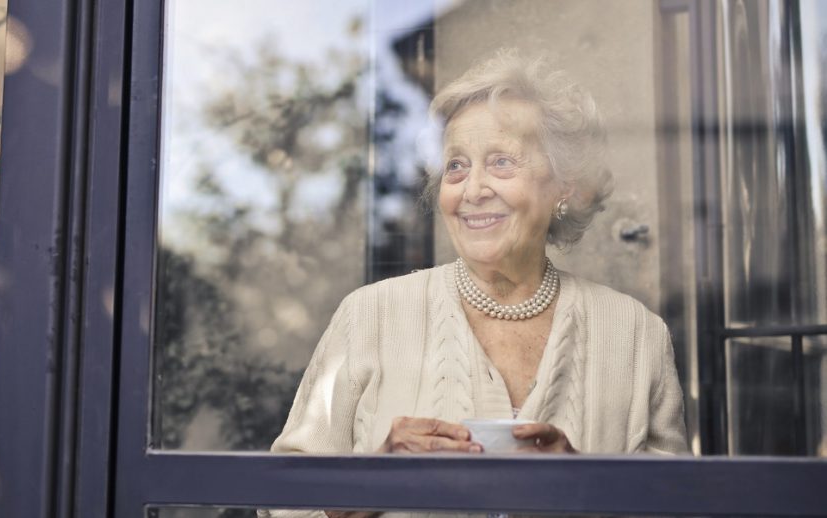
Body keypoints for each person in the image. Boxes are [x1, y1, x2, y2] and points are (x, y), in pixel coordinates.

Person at [269, 48, 687, 499]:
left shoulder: (636, 335)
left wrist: (583, 485)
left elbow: (682, 505)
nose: (473, 190)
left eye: (502, 162)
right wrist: (379, 474)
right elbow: (285, 504)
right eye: (456, 166)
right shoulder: (369, 316)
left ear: (564, 186)